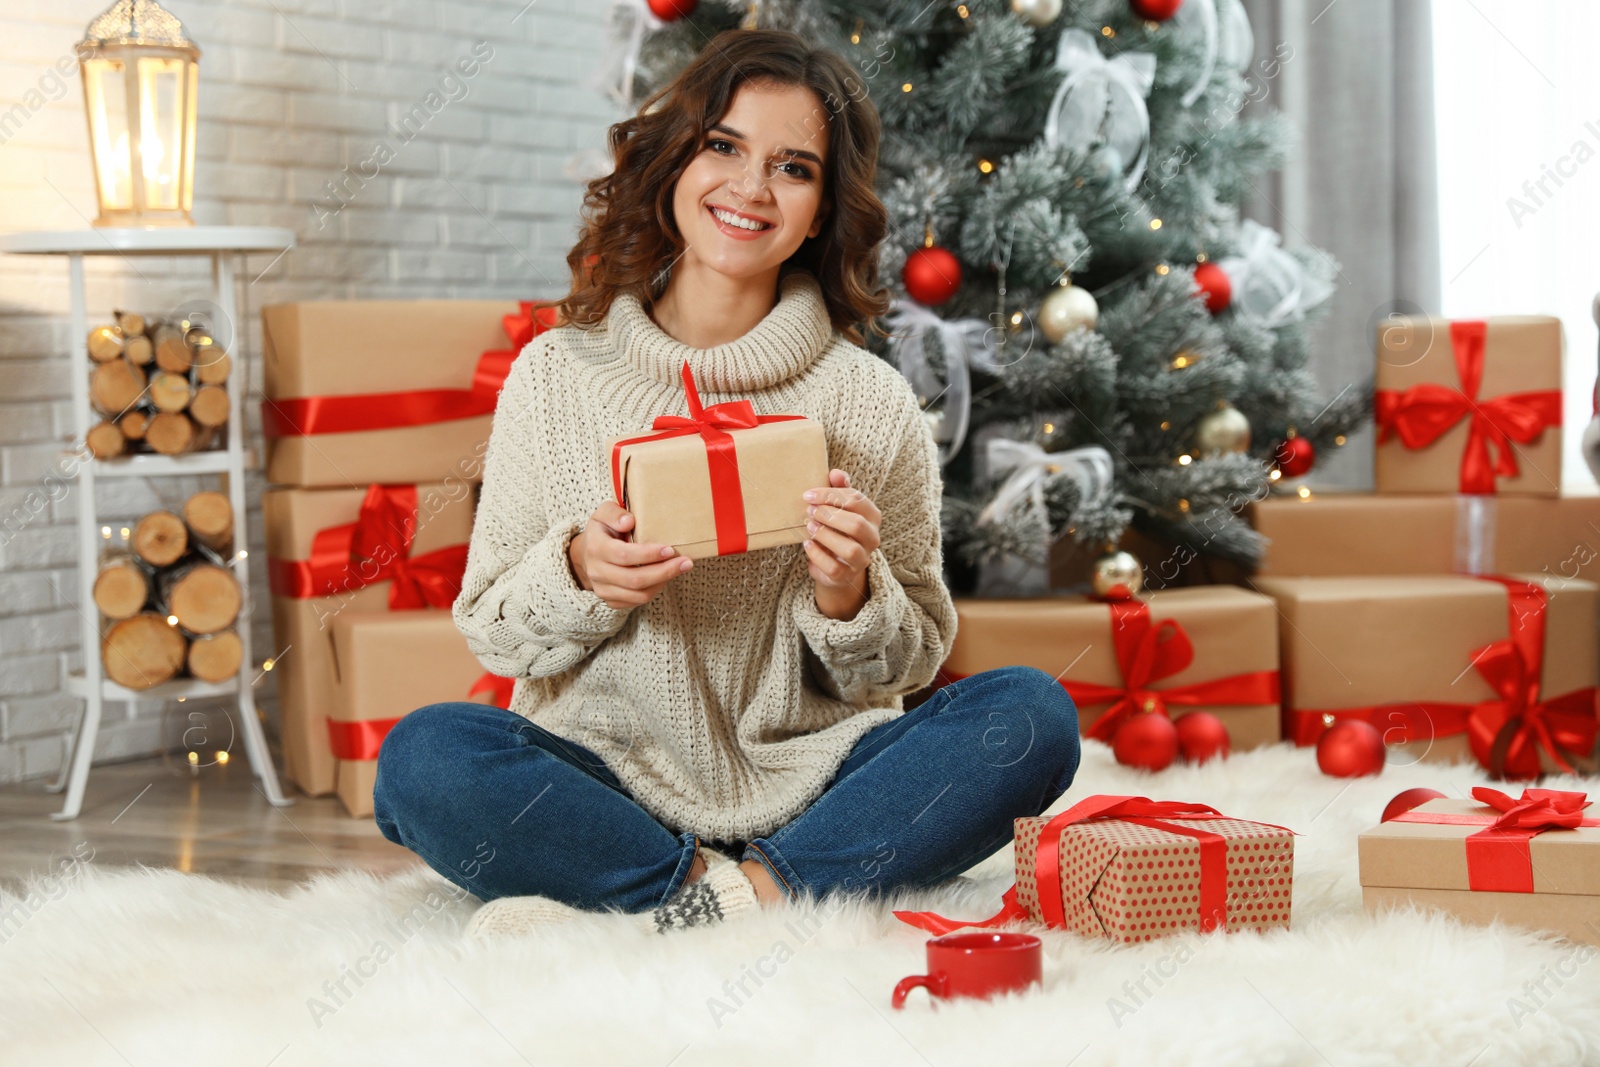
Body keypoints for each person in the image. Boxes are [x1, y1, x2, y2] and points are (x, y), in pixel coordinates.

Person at [372, 28, 1080, 938]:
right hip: (605, 780)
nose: (750, 188)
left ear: (822, 209)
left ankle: (724, 895)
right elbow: (490, 628)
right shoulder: (553, 374)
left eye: (793, 168)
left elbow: (914, 660)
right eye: (724, 147)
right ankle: (733, 888)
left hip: (822, 783)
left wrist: (850, 595)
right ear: (674, 164)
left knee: (1030, 715)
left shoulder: (872, 399)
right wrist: (582, 577)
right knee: (428, 758)